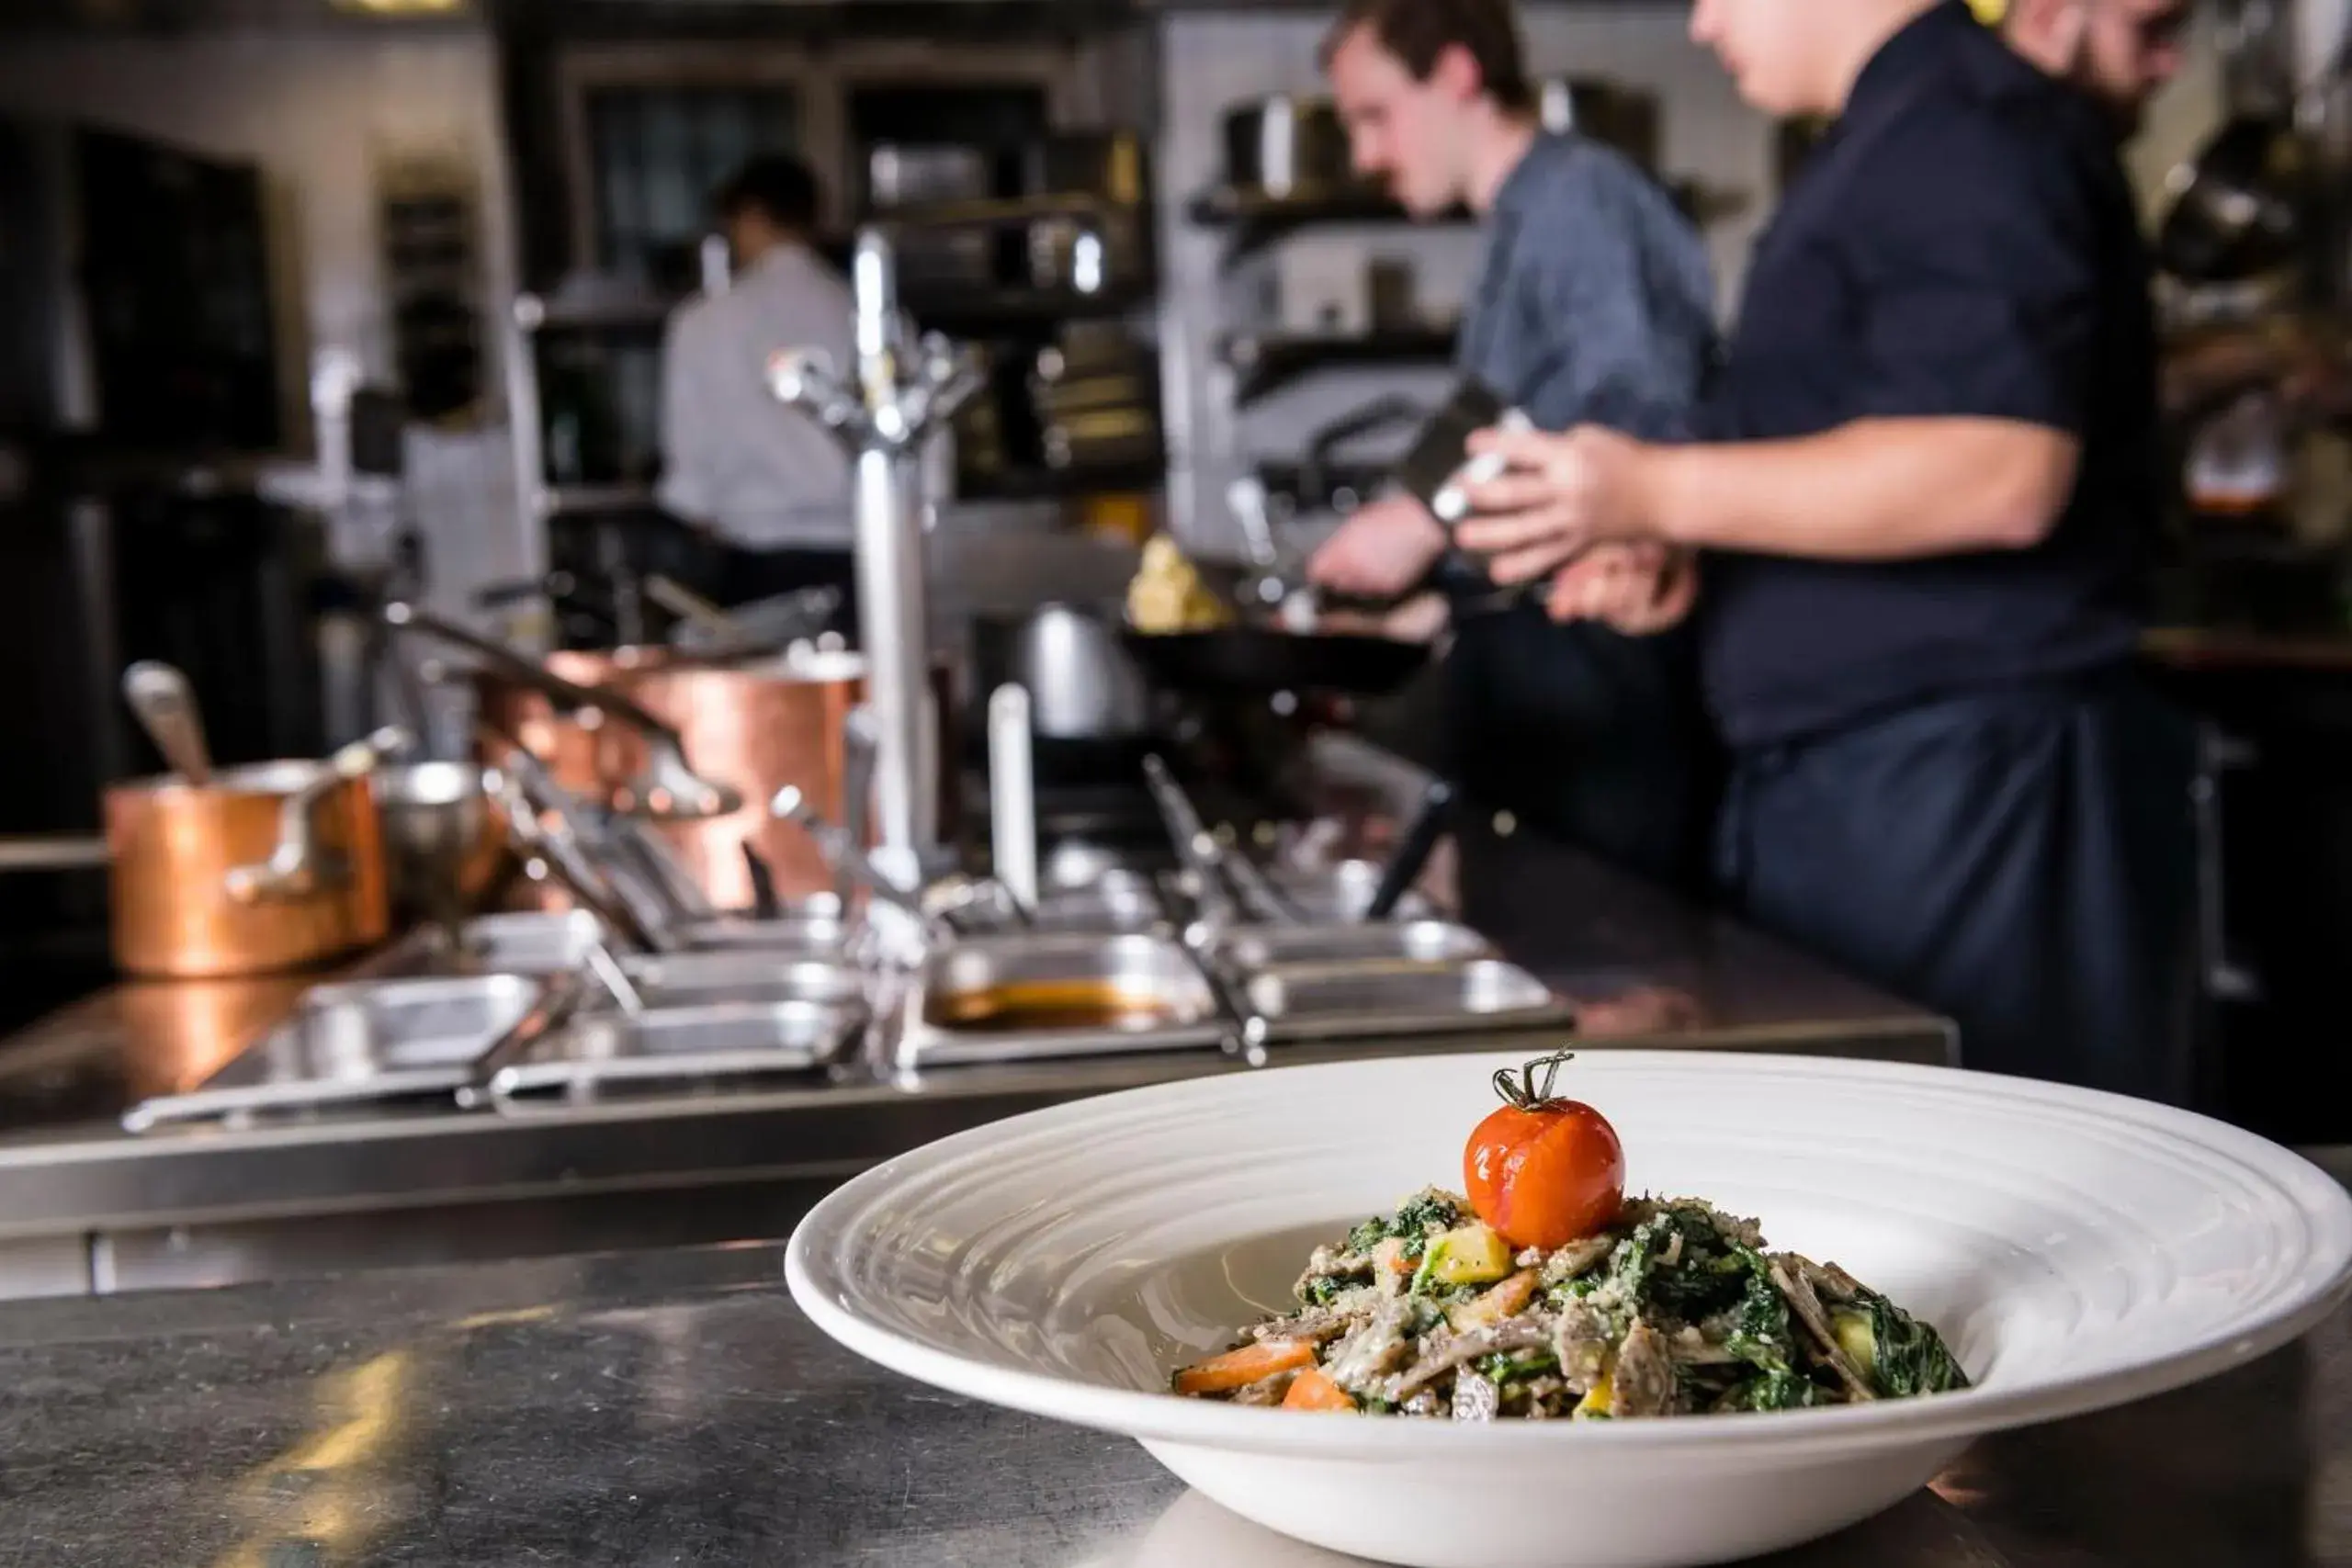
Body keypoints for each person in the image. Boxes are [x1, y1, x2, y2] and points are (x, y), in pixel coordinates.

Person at [1453, 0, 2197, 1102]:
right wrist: (1691, 561)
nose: (1702, 26)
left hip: (1972, 782)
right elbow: (1883, 455)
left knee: (2030, 1197)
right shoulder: (1893, 135)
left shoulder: (1967, 126)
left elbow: (1999, 471)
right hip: (1878, 783)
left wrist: (1649, 487)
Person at [1305, 0, 1723, 890]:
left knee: (1609, 991)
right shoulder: (1514, 226)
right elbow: (1526, 436)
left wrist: (1425, 517)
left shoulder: (1580, 197)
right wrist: (1417, 605)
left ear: (1456, 75)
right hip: (1539, 695)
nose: (1364, 156)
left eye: (1375, 116)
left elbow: (1642, 421)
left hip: (1604, 696)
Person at [658, 154, 859, 623]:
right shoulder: (866, 315)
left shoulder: (705, 322)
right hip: (860, 566)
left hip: (756, 566)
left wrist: (705, 515)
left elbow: (689, 478)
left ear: (749, 218)